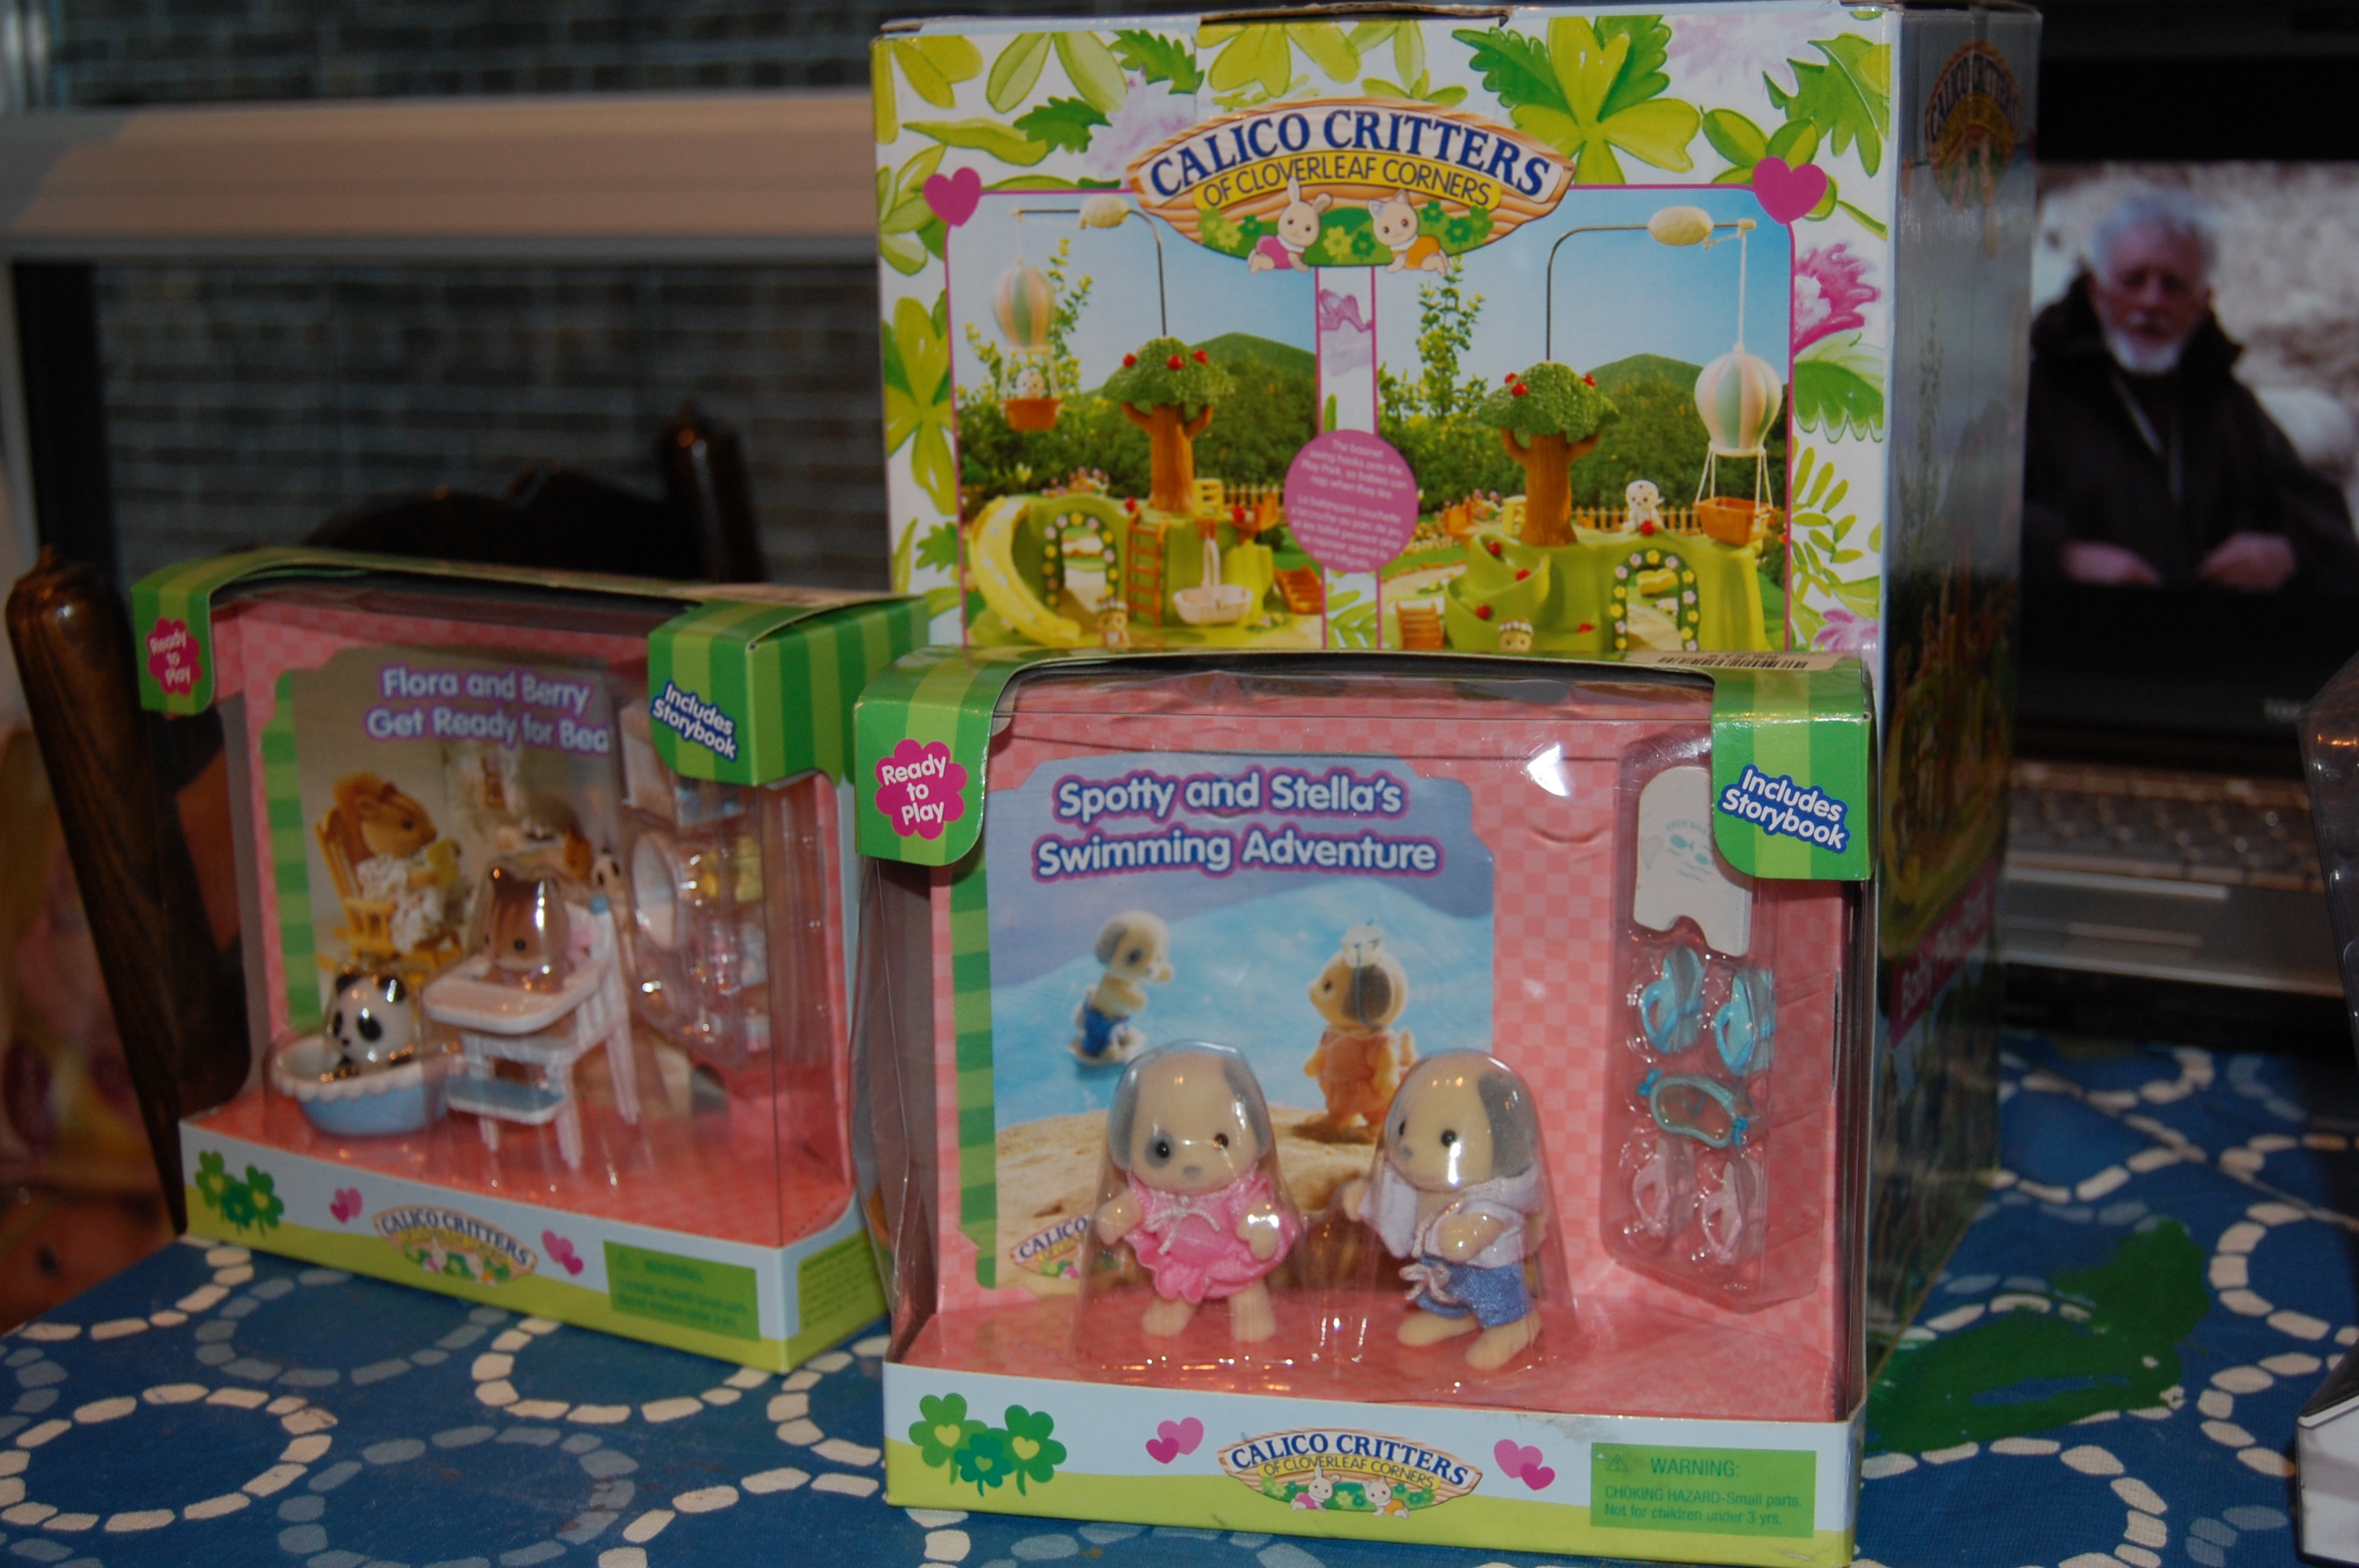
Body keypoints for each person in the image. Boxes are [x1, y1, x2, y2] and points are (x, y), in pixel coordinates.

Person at [2023, 192, 2359, 593]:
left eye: (2174, 285)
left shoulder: (2228, 406)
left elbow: (2327, 523)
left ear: (2202, 303)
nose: (2152, 301)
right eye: (2134, 280)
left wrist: (2288, 553)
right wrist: (2064, 557)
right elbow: (1972, 521)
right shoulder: (2035, 396)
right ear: (2098, 293)